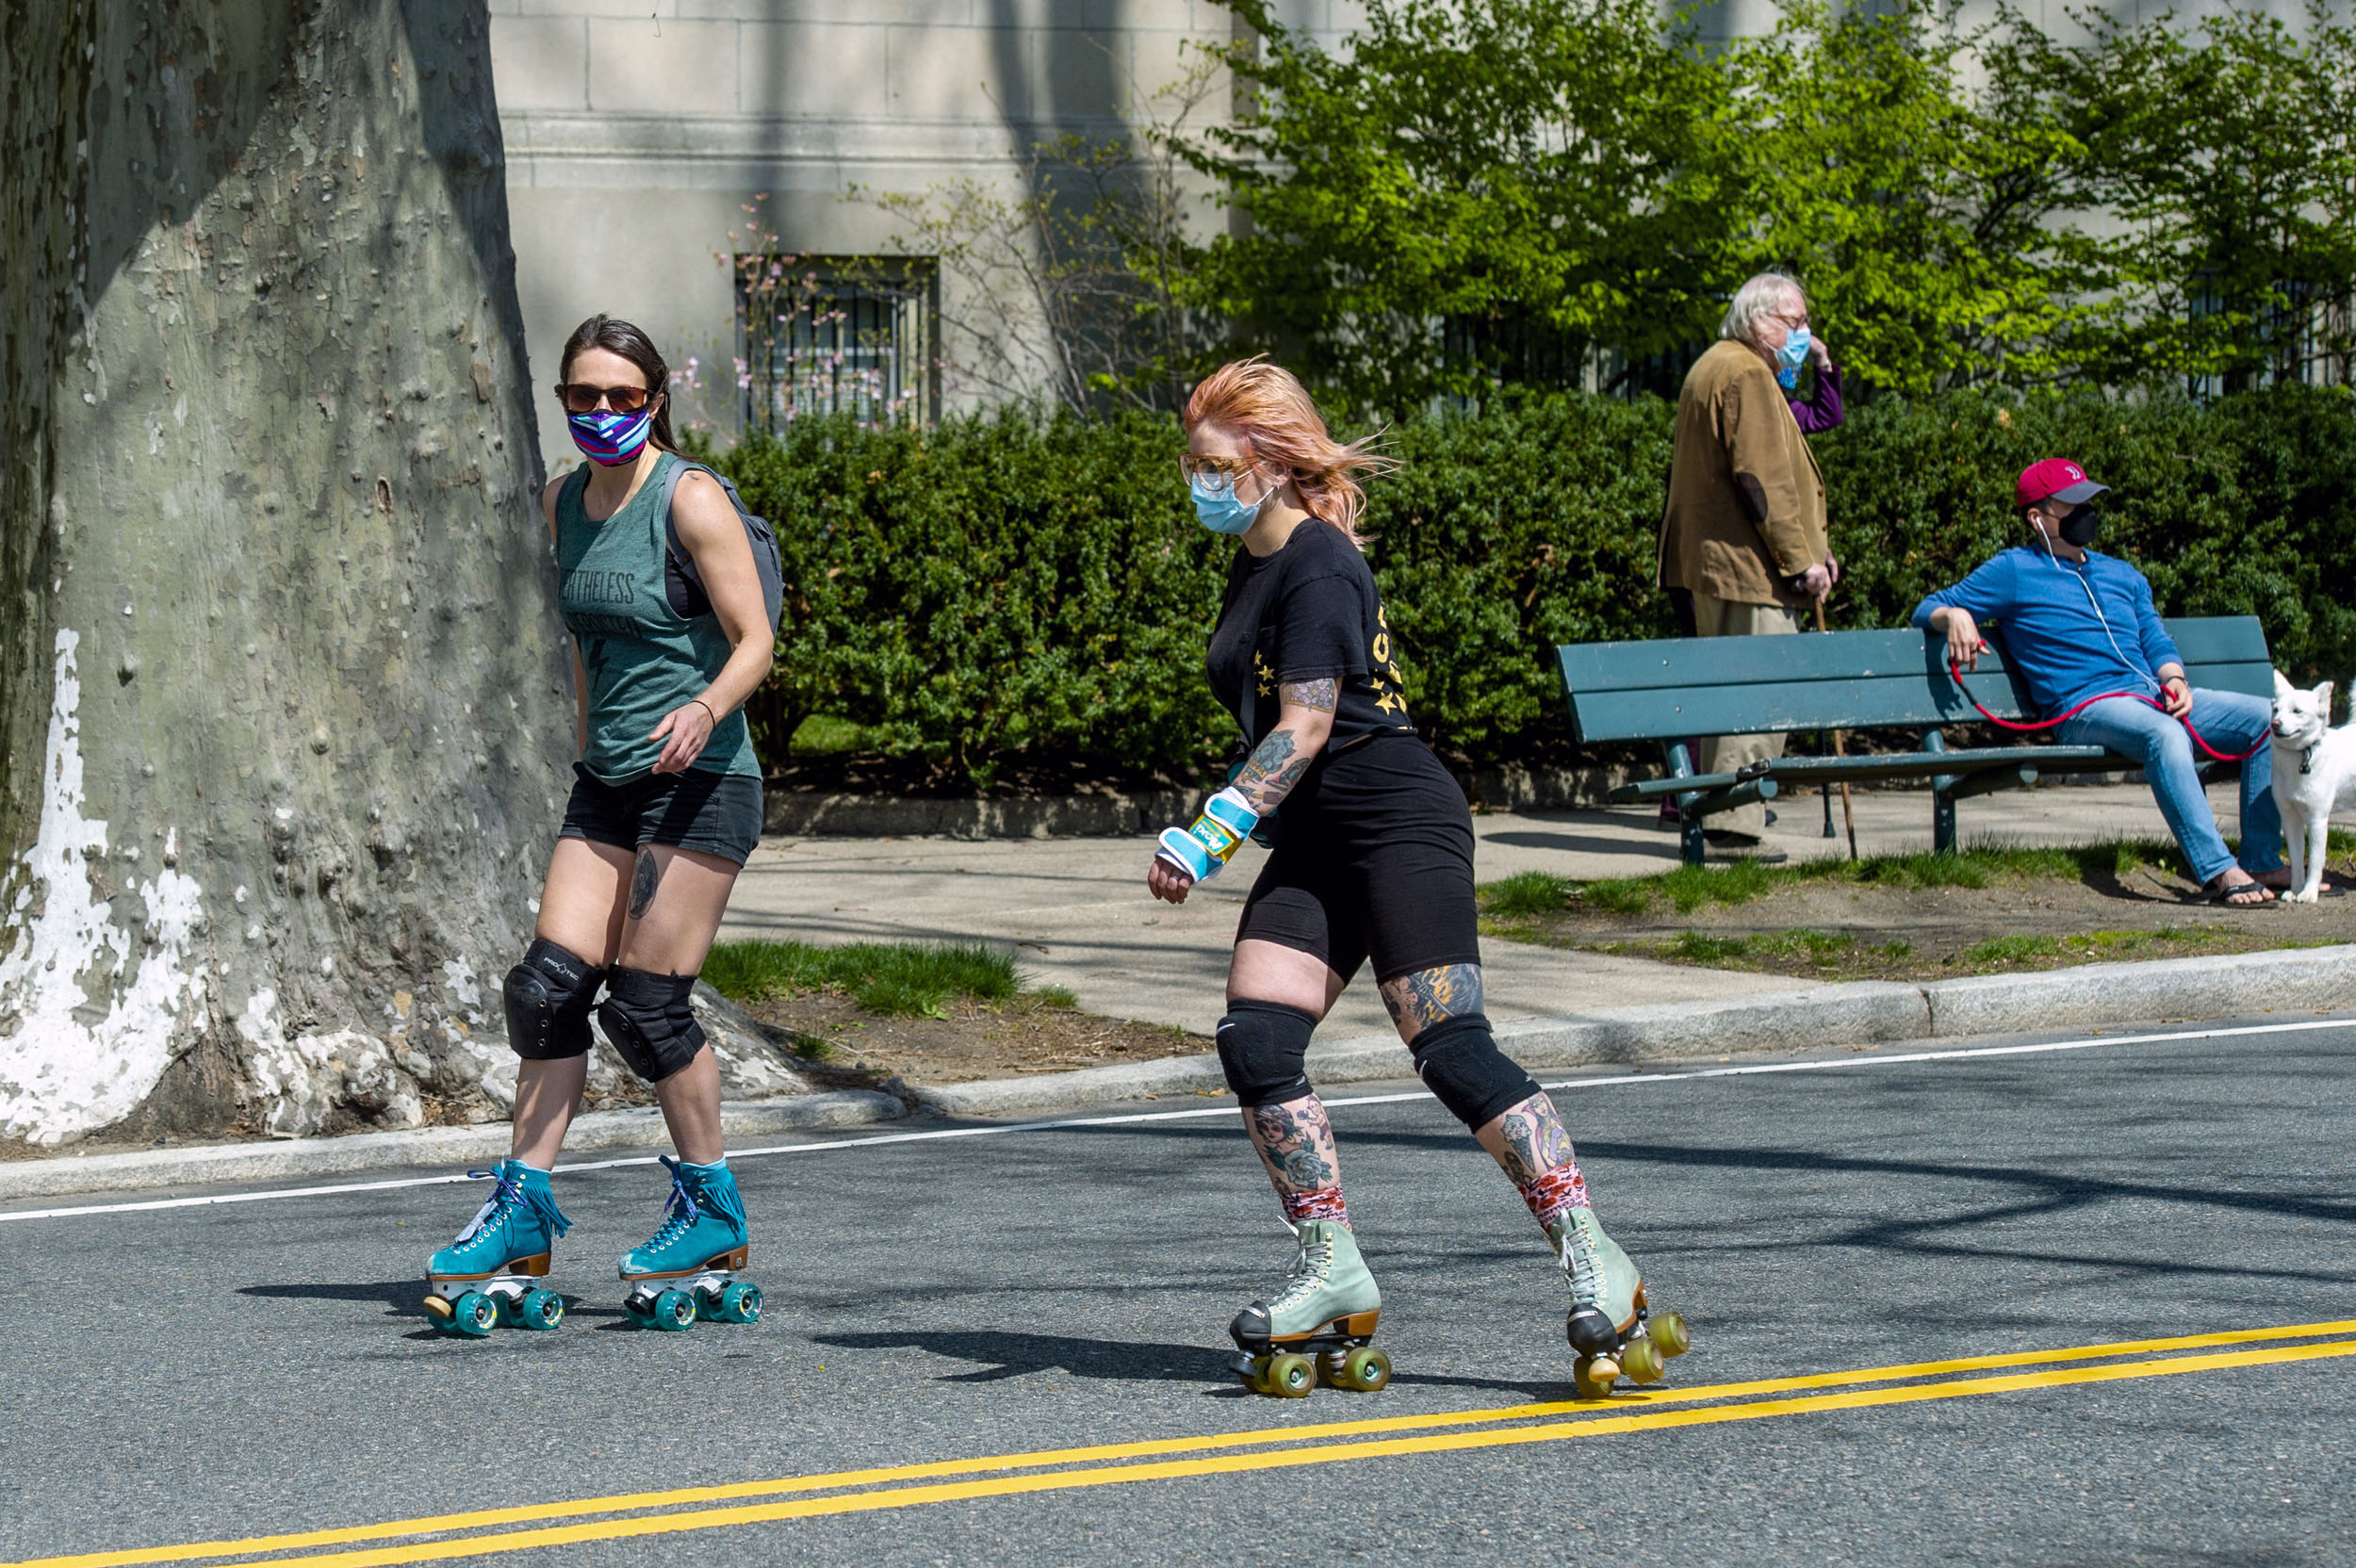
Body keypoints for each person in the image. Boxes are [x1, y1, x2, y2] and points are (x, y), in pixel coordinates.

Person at [1150, 359, 1687, 1396]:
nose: (1199, 480)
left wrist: (1212, 829)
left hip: (1395, 817)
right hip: (1313, 837)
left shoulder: (1318, 563)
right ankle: (1330, 1266)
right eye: (1194, 462)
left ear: (1270, 461)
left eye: (1216, 463)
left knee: (1450, 1047)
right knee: (1255, 1039)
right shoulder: (1255, 568)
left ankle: (1594, 1254)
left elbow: (1305, 722)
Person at [422, 316, 776, 1333]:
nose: (604, 413)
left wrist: (705, 705)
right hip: (609, 781)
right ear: (564, 401)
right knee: (545, 990)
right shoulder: (560, 502)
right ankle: (520, 1209)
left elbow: (756, 640)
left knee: (647, 1006)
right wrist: (589, 745)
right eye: (585, 397)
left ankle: (711, 1208)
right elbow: (587, 642)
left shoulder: (690, 496)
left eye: (624, 396)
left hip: (704, 776)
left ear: (655, 399)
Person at [1916, 458, 2285, 906]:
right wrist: (1954, 615)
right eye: (2072, 504)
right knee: (2165, 735)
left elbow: (2154, 637)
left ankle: (2262, 858)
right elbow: (1928, 607)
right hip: (2085, 707)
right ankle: (2218, 870)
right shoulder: (2012, 571)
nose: (2086, 511)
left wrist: (2175, 679)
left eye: (2089, 501)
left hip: (2150, 694)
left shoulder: (2121, 574)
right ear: (2038, 517)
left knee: (2265, 719)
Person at [1656, 272, 1840, 856]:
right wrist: (1802, 559)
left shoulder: (1715, 363)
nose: (1803, 335)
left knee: (1735, 691)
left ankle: (1722, 819)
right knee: (1758, 695)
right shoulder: (1748, 373)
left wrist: (1814, 542)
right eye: (1794, 322)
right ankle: (1733, 826)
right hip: (1747, 570)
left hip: (1717, 564)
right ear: (1759, 320)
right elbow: (1762, 482)